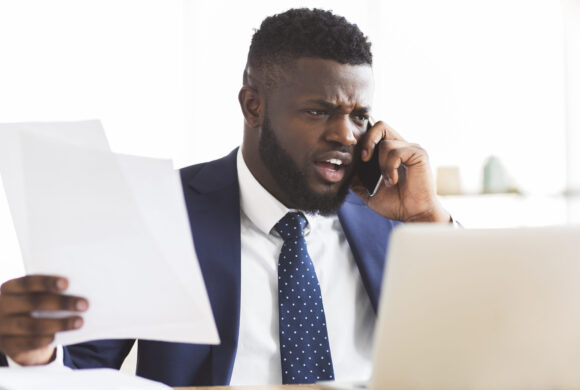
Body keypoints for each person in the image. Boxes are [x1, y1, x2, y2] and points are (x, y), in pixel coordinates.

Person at [0, 8, 451, 386]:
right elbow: (79, 364)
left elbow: (472, 347)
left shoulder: (395, 217)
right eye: (319, 111)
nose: (345, 136)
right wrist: (33, 352)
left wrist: (427, 216)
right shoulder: (159, 210)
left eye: (360, 116)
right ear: (253, 106)